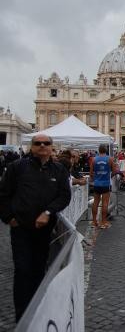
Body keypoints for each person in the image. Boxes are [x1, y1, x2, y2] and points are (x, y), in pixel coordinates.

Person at [0, 134, 71, 321]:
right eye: (37, 143)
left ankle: (39, 309)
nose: (41, 146)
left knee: (39, 268)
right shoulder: (17, 167)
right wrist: (9, 218)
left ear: (51, 147)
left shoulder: (59, 170)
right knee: (23, 269)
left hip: (45, 229)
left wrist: (48, 212)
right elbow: (4, 193)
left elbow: (64, 196)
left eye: (45, 143)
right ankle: (22, 316)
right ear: (31, 147)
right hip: (21, 227)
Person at [90, 144, 118, 228]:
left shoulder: (94, 159)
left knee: (95, 202)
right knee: (105, 203)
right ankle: (103, 222)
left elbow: (91, 173)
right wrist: (108, 176)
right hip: (105, 184)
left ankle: (94, 222)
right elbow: (114, 171)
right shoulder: (110, 159)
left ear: (98, 150)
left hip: (97, 184)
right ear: (106, 150)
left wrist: (96, 178)